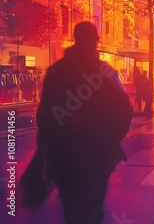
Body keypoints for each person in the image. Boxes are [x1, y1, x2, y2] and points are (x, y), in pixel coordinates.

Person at [36, 22, 133, 223]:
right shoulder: (104, 72)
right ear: (95, 42)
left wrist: (44, 149)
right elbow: (124, 110)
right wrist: (111, 139)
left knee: (72, 207)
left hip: (65, 154)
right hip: (97, 154)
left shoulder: (57, 71)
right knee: (94, 207)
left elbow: (45, 115)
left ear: (75, 39)